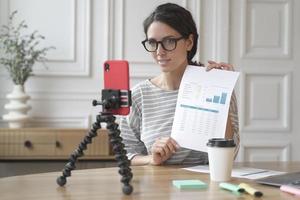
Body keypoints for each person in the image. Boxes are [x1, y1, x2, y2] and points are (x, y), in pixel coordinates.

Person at [120, 3, 239, 166]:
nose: (159, 51)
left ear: (189, 42)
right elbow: (125, 154)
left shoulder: (214, 87)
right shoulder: (138, 96)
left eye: (169, 41)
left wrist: (222, 90)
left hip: (207, 186)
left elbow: (230, 153)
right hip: (158, 188)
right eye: (153, 42)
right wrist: (152, 159)